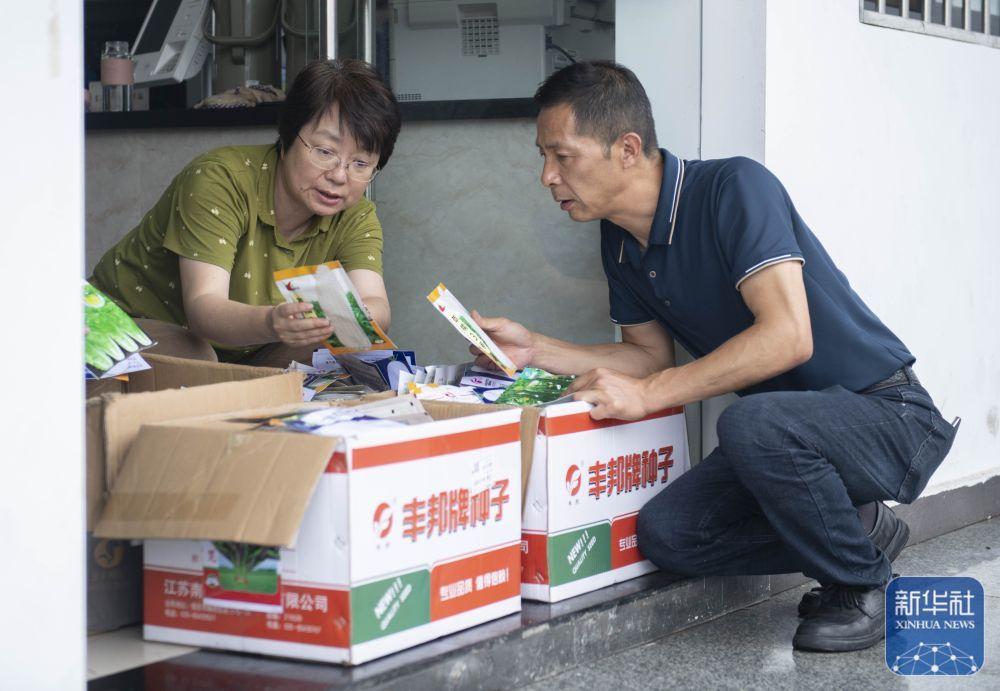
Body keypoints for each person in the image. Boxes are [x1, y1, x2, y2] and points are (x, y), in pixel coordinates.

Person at [471, 61, 958, 652]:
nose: (547, 176)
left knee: (751, 421)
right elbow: (648, 357)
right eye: (543, 156)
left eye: (562, 156)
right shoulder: (619, 239)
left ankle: (860, 583)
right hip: (784, 437)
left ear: (627, 149)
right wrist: (537, 349)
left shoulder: (735, 187)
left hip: (888, 415)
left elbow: (788, 337)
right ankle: (861, 531)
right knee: (670, 534)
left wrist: (648, 395)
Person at [90, 59, 401, 368]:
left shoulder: (356, 215)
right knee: (195, 357)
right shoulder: (221, 180)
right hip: (122, 322)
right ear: (288, 136)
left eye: (361, 163)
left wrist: (349, 317)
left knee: (344, 349)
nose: (339, 176)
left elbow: (376, 306)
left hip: (245, 347)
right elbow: (203, 308)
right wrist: (271, 322)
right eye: (324, 152)